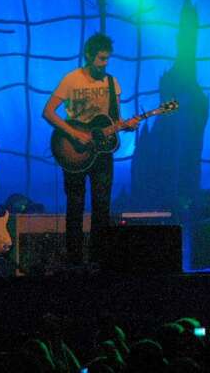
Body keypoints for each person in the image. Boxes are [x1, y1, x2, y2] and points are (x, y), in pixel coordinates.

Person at [43, 32, 136, 266]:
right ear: (89, 55)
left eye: (107, 59)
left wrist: (127, 126)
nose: (104, 64)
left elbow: (113, 120)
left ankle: (99, 258)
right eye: (101, 59)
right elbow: (48, 112)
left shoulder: (112, 82)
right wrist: (74, 134)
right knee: (75, 204)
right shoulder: (71, 79)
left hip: (102, 152)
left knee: (102, 205)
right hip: (73, 150)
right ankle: (74, 258)